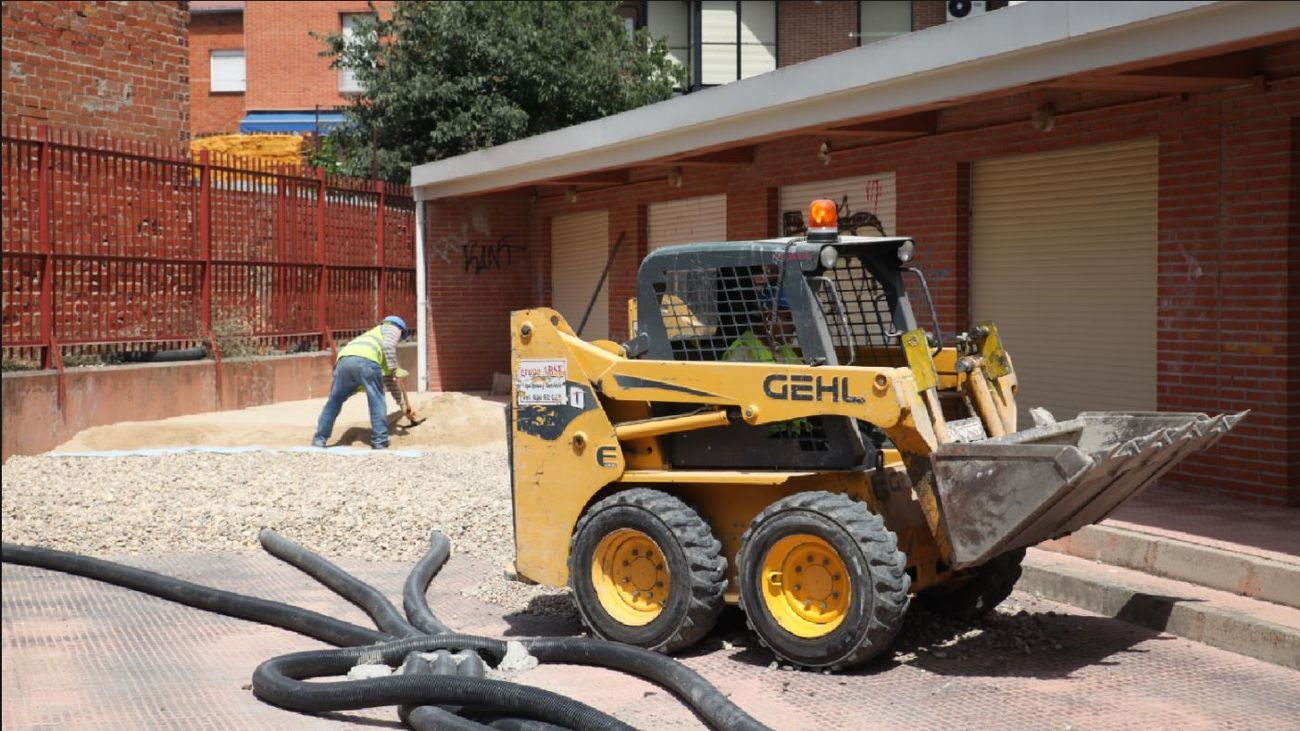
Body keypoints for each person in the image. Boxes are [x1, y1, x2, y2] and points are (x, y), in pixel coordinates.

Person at [312, 315, 415, 449]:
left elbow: (390, 382)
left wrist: (403, 406)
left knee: (334, 401)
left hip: (344, 361)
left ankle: (319, 440)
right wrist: (395, 368)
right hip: (366, 362)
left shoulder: (371, 336)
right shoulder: (392, 328)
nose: (399, 339)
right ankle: (380, 441)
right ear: (400, 330)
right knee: (376, 400)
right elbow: (389, 346)